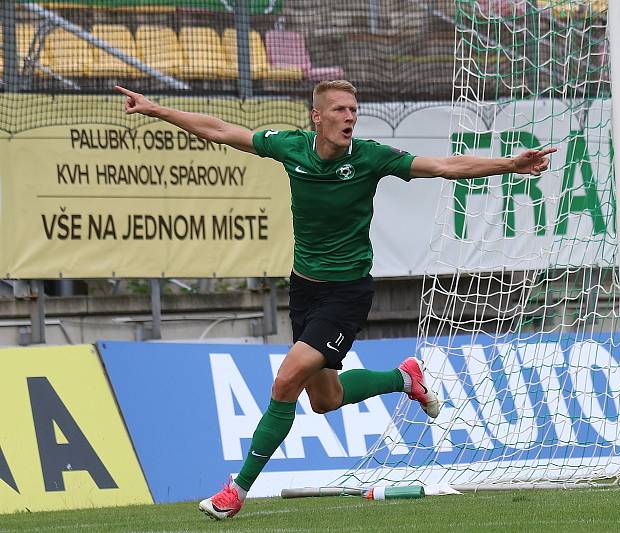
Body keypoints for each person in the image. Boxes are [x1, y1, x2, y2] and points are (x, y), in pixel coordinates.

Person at [115, 80, 556, 520]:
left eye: (354, 109)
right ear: (317, 117)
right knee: (325, 400)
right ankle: (404, 379)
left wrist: (510, 164)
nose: (350, 117)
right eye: (341, 109)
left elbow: (444, 164)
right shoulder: (290, 147)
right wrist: (156, 111)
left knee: (286, 380)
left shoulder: (369, 157)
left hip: (346, 294)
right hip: (304, 289)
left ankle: (236, 490)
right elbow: (220, 130)